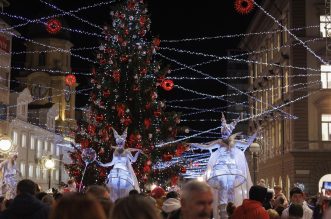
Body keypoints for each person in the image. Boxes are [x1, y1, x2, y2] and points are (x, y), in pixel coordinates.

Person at [189, 115, 255, 218]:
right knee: (223, 186)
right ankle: (223, 211)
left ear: (229, 133)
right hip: (220, 168)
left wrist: (255, 135)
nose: (224, 135)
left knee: (231, 187)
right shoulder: (219, 143)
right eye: (222, 133)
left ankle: (231, 208)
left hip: (232, 168)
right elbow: (206, 146)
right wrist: (194, 144)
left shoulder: (234, 142)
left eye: (226, 133)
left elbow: (246, 144)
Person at [97, 128, 142, 201]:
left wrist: (137, 153)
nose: (120, 144)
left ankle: (121, 203)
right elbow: (112, 163)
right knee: (113, 189)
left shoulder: (127, 152)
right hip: (114, 171)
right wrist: (103, 164)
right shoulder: (115, 152)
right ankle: (113, 203)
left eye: (121, 142)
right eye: (118, 143)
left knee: (122, 190)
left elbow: (133, 160)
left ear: (124, 142)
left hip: (123, 172)